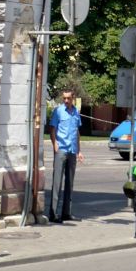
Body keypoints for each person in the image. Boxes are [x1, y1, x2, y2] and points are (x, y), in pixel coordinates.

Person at [48, 89, 84, 222]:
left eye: (68, 98)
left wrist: (79, 151)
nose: (66, 100)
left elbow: (77, 132)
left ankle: (66, 213)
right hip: (61, 149)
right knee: (57, 182)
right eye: (64, 98)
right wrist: (55, 144)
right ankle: (53, 213)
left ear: (73, 98)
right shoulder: (58, 111)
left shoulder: (76, 113)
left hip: (72, 150)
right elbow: (52, 129)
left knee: (70, 183)